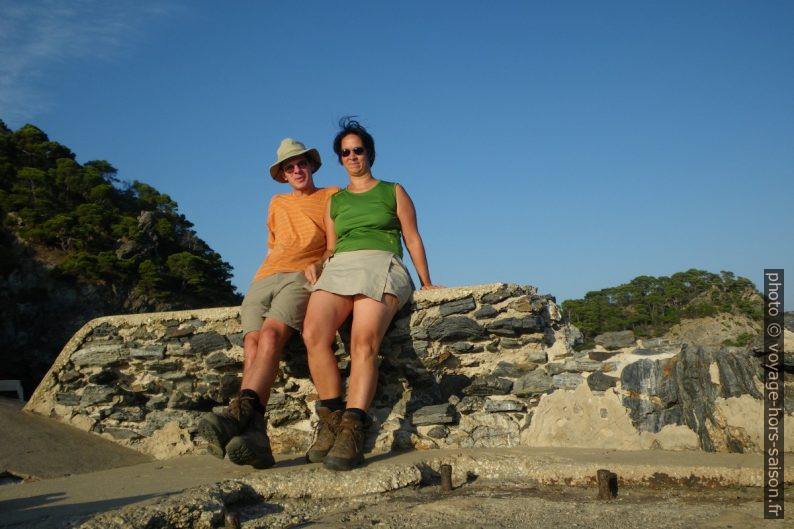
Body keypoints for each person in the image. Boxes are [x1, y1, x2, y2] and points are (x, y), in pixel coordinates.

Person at [302, 117, 442, 471]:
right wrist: (319, 264)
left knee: (363, 342)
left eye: (357, 150)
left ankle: (353, 428)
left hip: (381, 262)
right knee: (313, 334)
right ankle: (330, 419)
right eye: (345, 152)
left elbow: (411, 237)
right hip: (341, 266)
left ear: (370, 153)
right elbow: (332, 247)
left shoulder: (393, 190)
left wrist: (426, 282)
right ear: (340, 158)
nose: (352, 156)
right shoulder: (334, 202)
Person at [198, 138, 339, 468]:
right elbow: (274, 244)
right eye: (289, 167)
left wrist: (321, 263)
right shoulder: (276, 202)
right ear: (283, 175)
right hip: (263, 277)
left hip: (299, 277)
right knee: (252, 344)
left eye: (301, 163)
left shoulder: (331, 195)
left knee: (273, 336)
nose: (296, 170)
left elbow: (334, 242)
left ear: (312, 165)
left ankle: (239, 416)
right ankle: (256, 438)